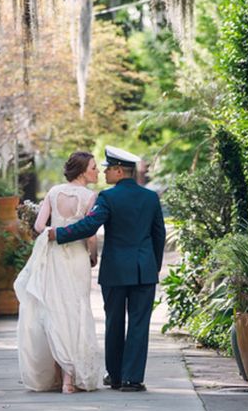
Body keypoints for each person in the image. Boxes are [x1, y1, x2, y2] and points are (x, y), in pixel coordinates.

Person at [49, 145, 166, 392]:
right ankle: (132, 379)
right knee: (139, 323)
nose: (104, 173)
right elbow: (159, 235)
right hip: (144, 270)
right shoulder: (150, 197)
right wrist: (153, 267)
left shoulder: (108, 198)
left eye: (108, 169)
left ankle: (114, 376)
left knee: (114, 321)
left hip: (114, 271)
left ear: (120, 171)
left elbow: (89, 226)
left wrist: (58, 233)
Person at [14, 151, 100, 394]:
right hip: (76, 259)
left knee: (53, 311)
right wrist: (94, 255)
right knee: (76, 310)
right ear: (83, 171)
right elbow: (90, 233)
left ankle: (56, 374)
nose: (97, 171)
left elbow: (39, 226)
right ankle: (68, 380)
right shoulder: (90, 197)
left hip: (53, 256)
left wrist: (55, 231)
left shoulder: (53, 192)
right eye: (94, 167)